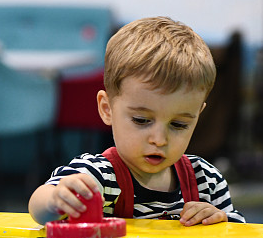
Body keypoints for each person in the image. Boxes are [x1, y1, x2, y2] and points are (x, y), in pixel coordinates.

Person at [28, 16, 245, 226]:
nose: (159, 140)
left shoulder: (205, 180)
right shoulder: (100, 176)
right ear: (107, 109)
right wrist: (57, 199)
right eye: (142, 120)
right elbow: (39, 208)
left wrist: (218, 220)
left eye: (178, 124)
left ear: (197, 116)